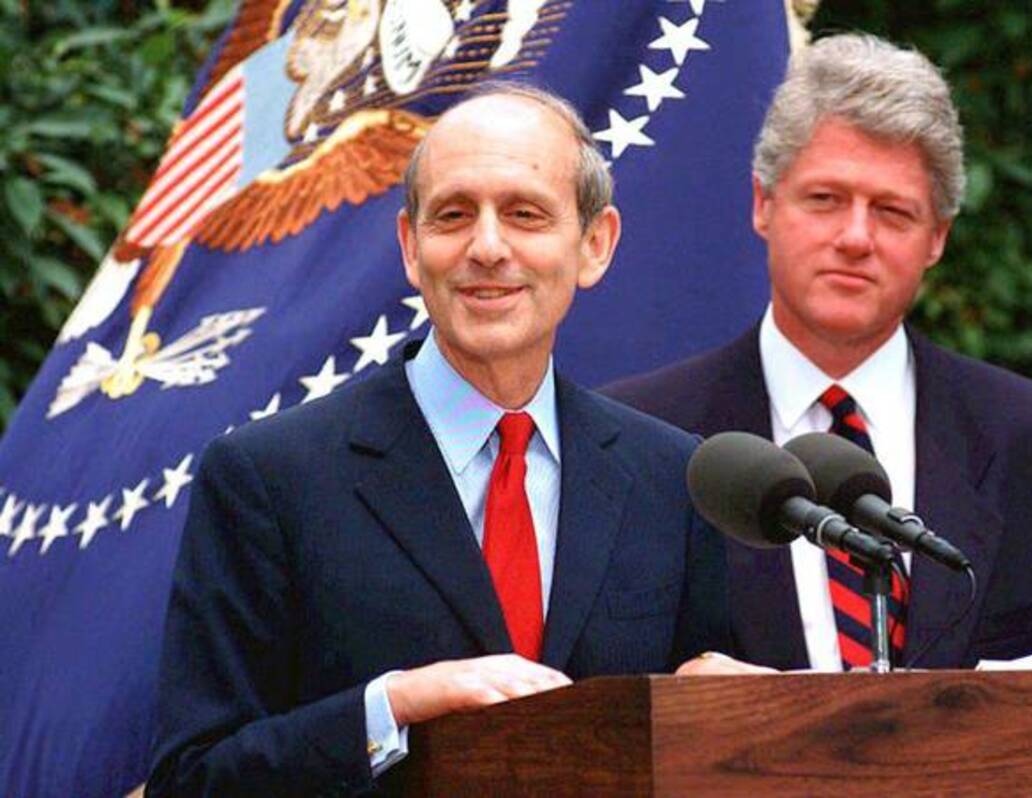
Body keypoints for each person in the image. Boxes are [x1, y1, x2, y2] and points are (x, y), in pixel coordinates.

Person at [148, 83, 731, 796]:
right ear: (410, 247)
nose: (487, 247)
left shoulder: (672, 479)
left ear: (594, 244)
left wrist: (735, 712)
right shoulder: (268, 478)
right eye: (454, 215)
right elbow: (193, 778)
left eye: (525, 214)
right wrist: (391, 707)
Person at [604, 33, 1032, 672]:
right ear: (763, 205)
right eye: (825, 199)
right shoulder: (640, 440)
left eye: (892, 211)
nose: (855, 238)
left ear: (937, 238)